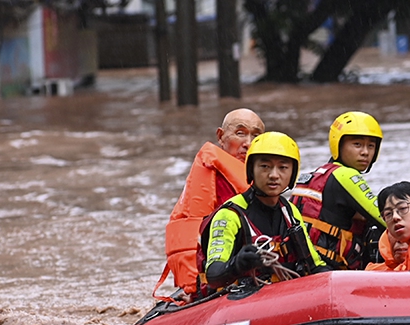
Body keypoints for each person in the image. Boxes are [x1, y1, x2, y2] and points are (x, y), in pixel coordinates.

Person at [156, 109, 266, 301]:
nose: (248, 143)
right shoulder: (214, 178)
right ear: (221, 137)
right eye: (240, 133)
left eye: (256, 136)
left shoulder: (262, 178)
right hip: (215, 275)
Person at [201, 132, 329, 289]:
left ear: (292, 173)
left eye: (283, 167)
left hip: (285, 295)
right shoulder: (229, 215)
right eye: (265, 167)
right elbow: (213, 275)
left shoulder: (290, 212)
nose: (274, 175)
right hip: (241, 300)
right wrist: (237, 264)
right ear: (251, 170)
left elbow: (315, 264)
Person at [291, 111, 386, 269]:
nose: (365, 152)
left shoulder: (316, 175)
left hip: (302, 266)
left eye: (371, 146)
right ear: (338, 145)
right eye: (357, 144)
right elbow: (385, 218)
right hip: (330, 270)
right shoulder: (345, 175)